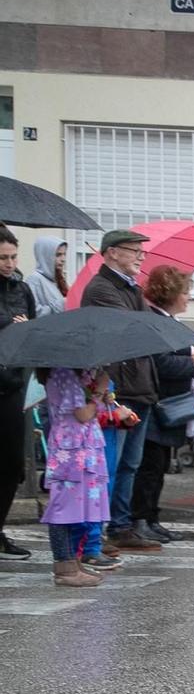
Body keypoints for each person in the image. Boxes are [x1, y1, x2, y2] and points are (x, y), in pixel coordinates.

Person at [80, 228, 163, 553]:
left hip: (139, 385)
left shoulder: (132, 289)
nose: (141, 256)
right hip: (117, 387)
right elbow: (133, 330)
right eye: (134, 250)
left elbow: (148, 329)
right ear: (112, 252)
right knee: (110, 465)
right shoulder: (101, 288)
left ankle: (120, 525)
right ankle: (98, 532)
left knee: (131, 464)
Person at [130, 264, 194, 544]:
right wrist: (192, 362)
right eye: (185, 292)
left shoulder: (167, 320)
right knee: (150, 467)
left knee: (160, 465)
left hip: (169, 406)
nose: (189, 297)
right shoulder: (154, 321)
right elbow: (159, 363)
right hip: (158, 405)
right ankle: (140, 519)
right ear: (171, 294)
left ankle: (152, 518)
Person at [39, 363, 114, 588]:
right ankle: (64, 566)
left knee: (77, 508)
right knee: (64, 509)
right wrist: (99, 391)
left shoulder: (71, 375)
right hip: (71, 449)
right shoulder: (63, 372)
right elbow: (82, 414)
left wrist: (98, 394)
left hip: (81, 446)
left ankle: (72, 561)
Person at [0, 228, 36, 559]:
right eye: (2, 258)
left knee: (12, 465)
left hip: (11, 386)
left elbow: (34, 333)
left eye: (13, 257)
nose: (9, 264)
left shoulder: (21, 289)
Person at [25, 236, 68, 316]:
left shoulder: (58, 278)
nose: (63, 259)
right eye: (58, 255)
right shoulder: (34, 280)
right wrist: (62, 303)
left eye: (64, 254)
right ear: (45, 255)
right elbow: (34, 312)